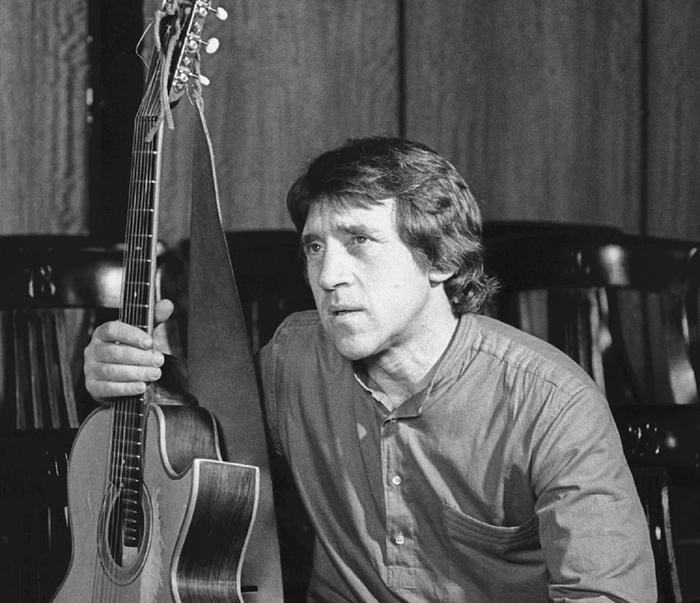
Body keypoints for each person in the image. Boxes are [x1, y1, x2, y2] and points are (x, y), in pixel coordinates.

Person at [84, 136, 655, 602]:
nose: (328, 275)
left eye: (359, 240)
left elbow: (607, 595)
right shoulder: (294, 358)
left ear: (440, 259)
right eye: (314, 247)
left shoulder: (551, 402)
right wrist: (128, 373)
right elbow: (197, 431)